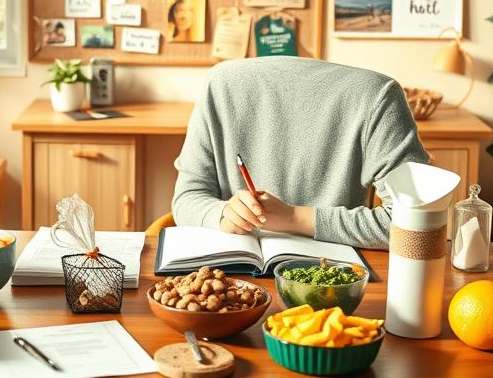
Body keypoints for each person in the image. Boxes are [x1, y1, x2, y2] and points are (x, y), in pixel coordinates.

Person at [171, 57, 429, 248]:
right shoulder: (220, 85)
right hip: (235, 268)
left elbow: (416, 224)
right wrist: (224, 214)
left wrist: (294, 217)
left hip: (332, 276)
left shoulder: (377, 96)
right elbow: (187, 199)